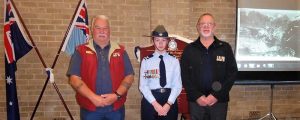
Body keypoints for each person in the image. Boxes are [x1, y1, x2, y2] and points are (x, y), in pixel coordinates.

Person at [67, 15, 134, 120]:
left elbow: (129, 76)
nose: (102, 31)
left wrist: (116, 95)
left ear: (109, 30)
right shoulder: (80, 51)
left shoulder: (121, 51)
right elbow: (74, 79)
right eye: (98, 28)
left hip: (115, 109)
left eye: (105, 28)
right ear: (92, 29)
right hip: (90, 110)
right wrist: (93, 98)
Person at [180, 13, 238, 120]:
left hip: (219, 101)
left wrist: (216, 95)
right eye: (203, 24)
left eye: (209, 24)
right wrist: (197, 96)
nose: (206, 26)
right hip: (196, 102)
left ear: (214, 26)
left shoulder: (225, 48)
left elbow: (232, 73)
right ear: (198, 27)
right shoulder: (189, 49)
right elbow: (184, 75)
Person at [139, 25, 182, 120]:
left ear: (167, 41)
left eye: (163, 40)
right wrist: (155, 104)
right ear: (153, 41)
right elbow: (143, 86)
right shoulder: (146, 61)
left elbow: (177, 85)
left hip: (169, 99)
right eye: (157, 40)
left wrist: (168, 104)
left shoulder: (174, 61)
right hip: (150, 99)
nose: (160, 43)